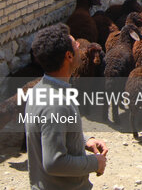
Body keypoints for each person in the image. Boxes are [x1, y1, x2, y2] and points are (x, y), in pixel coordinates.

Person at [25, 23, 108, 190]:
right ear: (69, 56)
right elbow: (54, 162)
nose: (79, 46)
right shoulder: (56, 104)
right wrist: (94, 163)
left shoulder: (41, 90)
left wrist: (85, 140)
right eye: (76, 44)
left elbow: (50, 132)